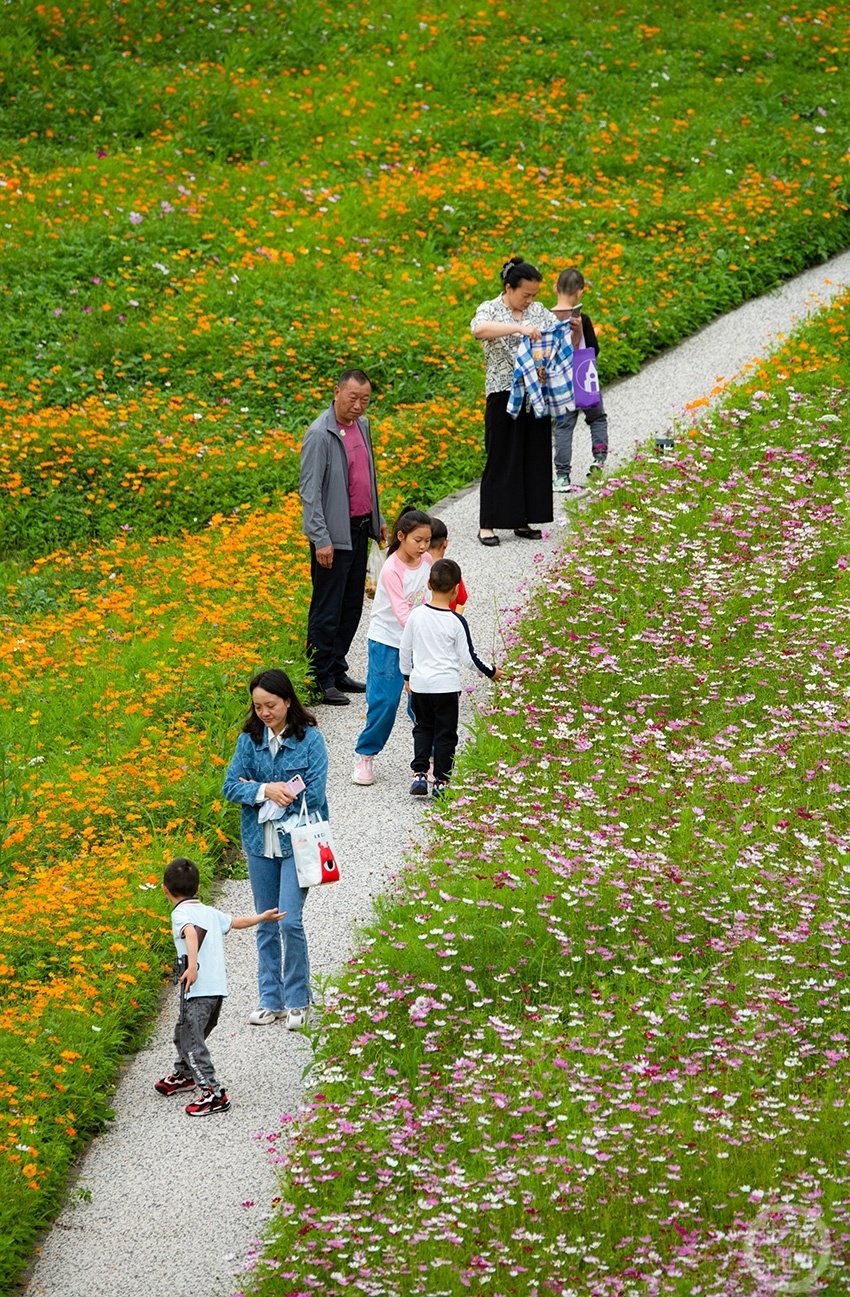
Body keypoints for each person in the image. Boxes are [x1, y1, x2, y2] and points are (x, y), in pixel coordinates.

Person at [222, 668, 328, 1029]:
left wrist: (264, 789)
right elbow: (229, 786)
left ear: (287, 700)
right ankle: (272, 999)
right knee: (265, 922)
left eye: (271, 705)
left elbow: (314, 792)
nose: (265, 713)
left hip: (296, 842)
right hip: (258, 844)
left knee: (290, 921)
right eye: (258, 706)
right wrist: (266, 791)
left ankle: (299, 999)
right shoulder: (248, 740)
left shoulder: (310, 739)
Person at [156, 856, 286, 1116]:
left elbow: (191, 933)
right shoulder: (209, 911)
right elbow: (235, 922)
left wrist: (192, 966)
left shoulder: (180, 914)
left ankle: (214, 1094)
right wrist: (262, 917)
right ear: (198, 888)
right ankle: (185, 1074)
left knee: (193, 1043)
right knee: (185, 1033)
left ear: (164, 889)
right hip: (215, 992)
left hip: (197, 989)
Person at [300, 368, 387, 705]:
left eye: (365, 399)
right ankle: (320, 676)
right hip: (333, 535)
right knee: (327, 607)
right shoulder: (320, 434)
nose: (358, 405)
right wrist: (320, 537)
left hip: (361, 527)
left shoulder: (362, 427)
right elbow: (310, 492)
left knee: (351, 606)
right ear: (336, 392)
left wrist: (378, 518)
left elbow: (369, 476)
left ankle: (337, 668)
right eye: (353, 397)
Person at [470, 255, 559, 547]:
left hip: (536, 393)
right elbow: (479, 330)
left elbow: (553, 331)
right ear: (509, 288)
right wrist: (518, 329)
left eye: (534, 295)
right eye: (525, 295)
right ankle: (489, 523)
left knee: (532, 455)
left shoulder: (538, 310)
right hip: (503, 392)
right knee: (501, 455)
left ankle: (523, 519)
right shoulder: (491, 309)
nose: (530, 300)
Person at [399, 558, 501, 798]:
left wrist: (407, 677)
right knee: (445, 734)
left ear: (428, 584)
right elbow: (469, 658)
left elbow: (405, 650)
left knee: (422, 728)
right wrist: (492, 672)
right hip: (446, 687)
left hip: (421, 685)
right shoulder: (457, 621)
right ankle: (442, 781)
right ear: (456, 589)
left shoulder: (416, 615)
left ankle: (420, 774)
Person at [351, 509, 433, 786]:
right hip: (387, 641)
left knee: (421, 703)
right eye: (417, 540)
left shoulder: (428, 561)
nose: (423, 547)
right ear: (401, 536)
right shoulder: (391, 568)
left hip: (417, 641)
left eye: (427, 541)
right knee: (384, 702)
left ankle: (430, 758)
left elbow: (431, 599)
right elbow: (401, 612)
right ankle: (365, 755)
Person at [551, 268, 608, 490]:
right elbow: (594, 349)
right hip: (584, 374)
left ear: (555, 288)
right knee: (596, 418)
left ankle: (562, 476)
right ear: (579, 293)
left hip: (560, 380)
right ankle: (599, 458)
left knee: (563, 426)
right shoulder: (581, 318)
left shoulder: (547, 318)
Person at [427, 517, 467, 613]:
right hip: (448, 620)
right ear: (445, 543)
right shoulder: (449, 569)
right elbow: (462, 599)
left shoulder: (417, 568)